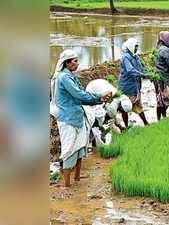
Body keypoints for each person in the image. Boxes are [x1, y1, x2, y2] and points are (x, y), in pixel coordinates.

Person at [54, 49, 112, 187]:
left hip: (77, 116)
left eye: (77, 60)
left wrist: (99, 99)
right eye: (74, 61)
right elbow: (79, 95)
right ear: (66, 63)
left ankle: (77, 178)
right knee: (69, 150)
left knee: (80, 148)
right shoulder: (64, 78)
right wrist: (99, 96)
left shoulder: (71, 76)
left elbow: (82, 96)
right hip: (68, 119)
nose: (77, 63)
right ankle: (67, 185)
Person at [85, 79, 132, 149]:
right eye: (122, 111)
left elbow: (111, 117)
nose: (122, 113)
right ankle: (91, 143)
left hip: (99, 84)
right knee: (95, 118)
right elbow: (108, 121)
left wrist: (119, 126)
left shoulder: (122, 98)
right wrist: (104, 132)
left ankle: (94, 141)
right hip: (92, 91)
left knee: (101, 121)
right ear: (120, 107)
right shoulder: (113, 107)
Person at [118, 38, 149, 126]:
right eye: (135, 46)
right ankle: (126, 126)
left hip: (135, 85)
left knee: (138, 104)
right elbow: (130, 70)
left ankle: (146, 123)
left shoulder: (136, 56)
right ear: (130, 46)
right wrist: (142, 75)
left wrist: (146, 73)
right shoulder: (125, 57)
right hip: (126, 86)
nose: (136, 48)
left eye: (137, 46)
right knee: (125, 106)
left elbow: (140, 68)